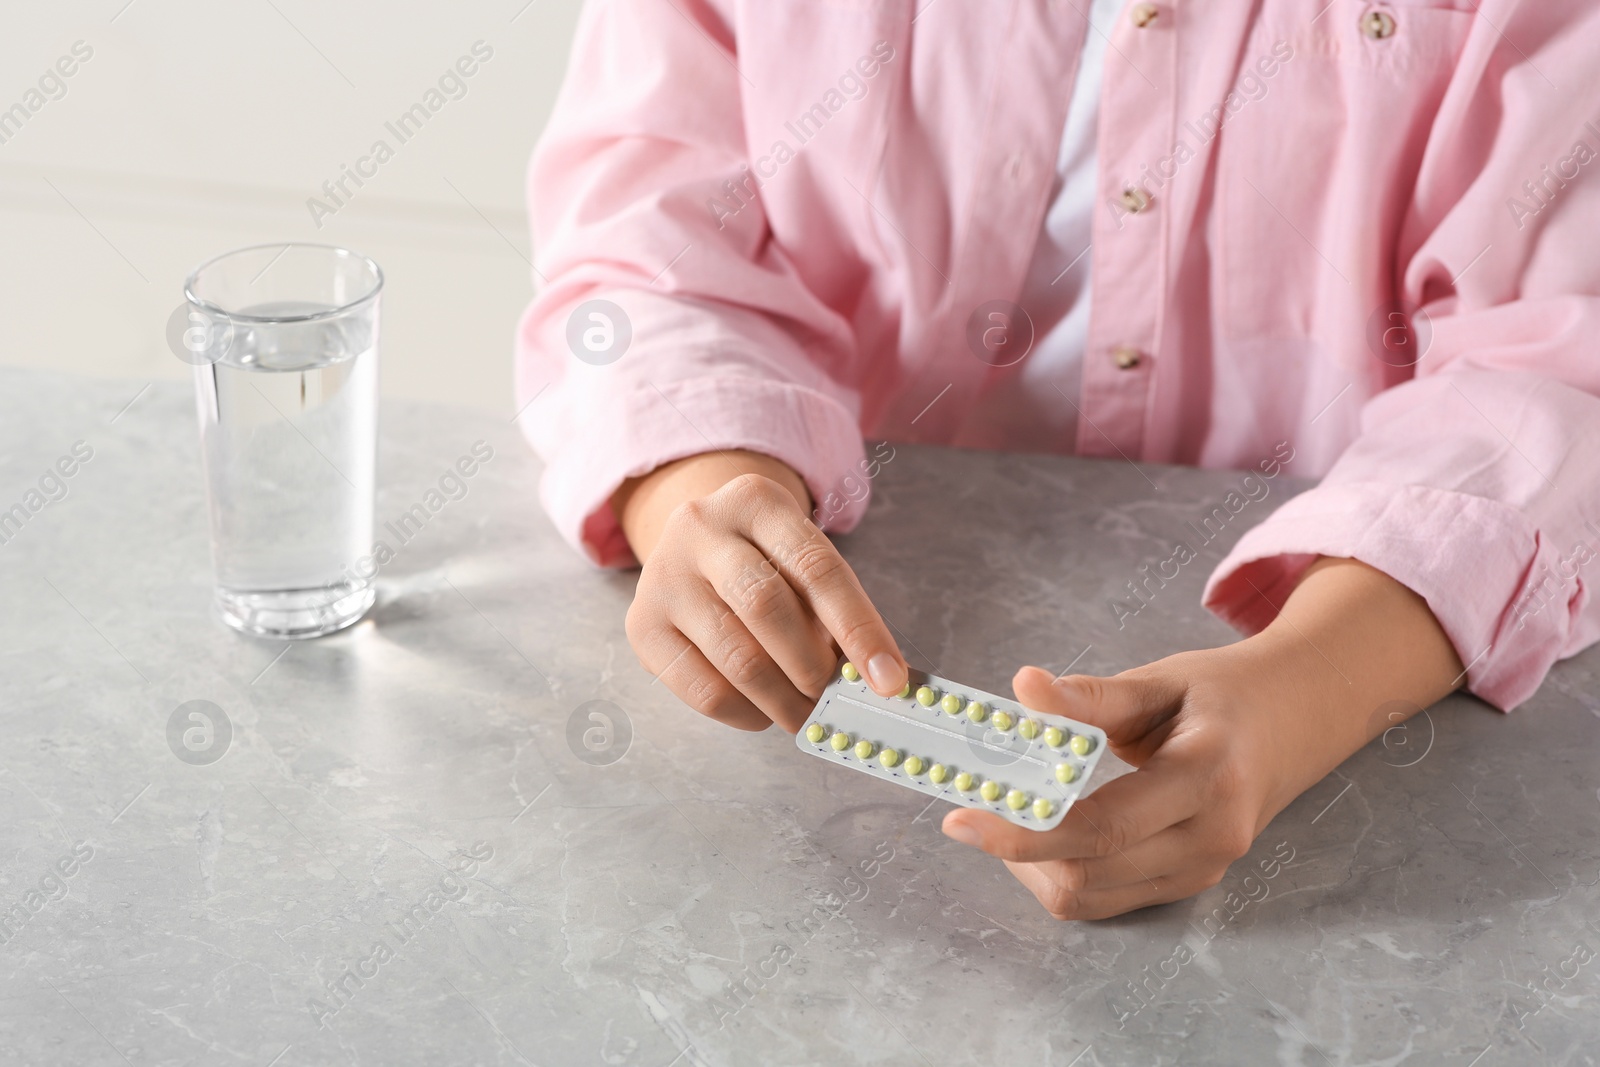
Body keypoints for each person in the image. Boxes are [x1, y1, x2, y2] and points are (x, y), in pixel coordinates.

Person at [513, 0, 1600, 919]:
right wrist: (699, 486)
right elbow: (646, 247)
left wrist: (1310, 685)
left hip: (1360, 694)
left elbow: (1558, 358)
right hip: (842, 688)